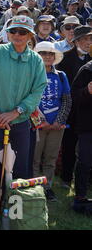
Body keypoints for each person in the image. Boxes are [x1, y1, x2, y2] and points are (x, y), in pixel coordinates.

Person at [0, 15, 47, 228]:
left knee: (19, 168)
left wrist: (17, 112)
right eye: (13, 31)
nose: (17, 35)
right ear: (7, 32)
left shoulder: (36, 60)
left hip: (20, 123)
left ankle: (15, 209)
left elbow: (37, 90)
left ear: (30, 36)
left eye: (22, 32)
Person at [32, 42, 71, 202]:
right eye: (43, 53)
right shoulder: (31, 74)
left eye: (50, 53)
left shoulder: (61, 75)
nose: (47, 56)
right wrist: (41, 121)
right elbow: (29, 100)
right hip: (36, 125)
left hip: (57, 126)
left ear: (55, 56)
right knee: (34, 158)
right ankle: (34, 187)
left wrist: (58, 121)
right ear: (37, 56)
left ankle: (47, 187)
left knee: (50, 158)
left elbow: (67, 100)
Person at [57, 26, 92, 189]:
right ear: (76, 41)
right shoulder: (64, 58)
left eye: (90, 39)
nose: (88, 42)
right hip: (70, 109)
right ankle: (66, 177)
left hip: (87, 111)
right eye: (85, 39)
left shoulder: (89, 60)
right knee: (69, 145)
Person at [71, 58, 92, 215]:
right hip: (88, 127)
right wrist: (87, 91)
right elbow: (74, 96)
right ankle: (80, 197)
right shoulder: (87, 70)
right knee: (84, 162)